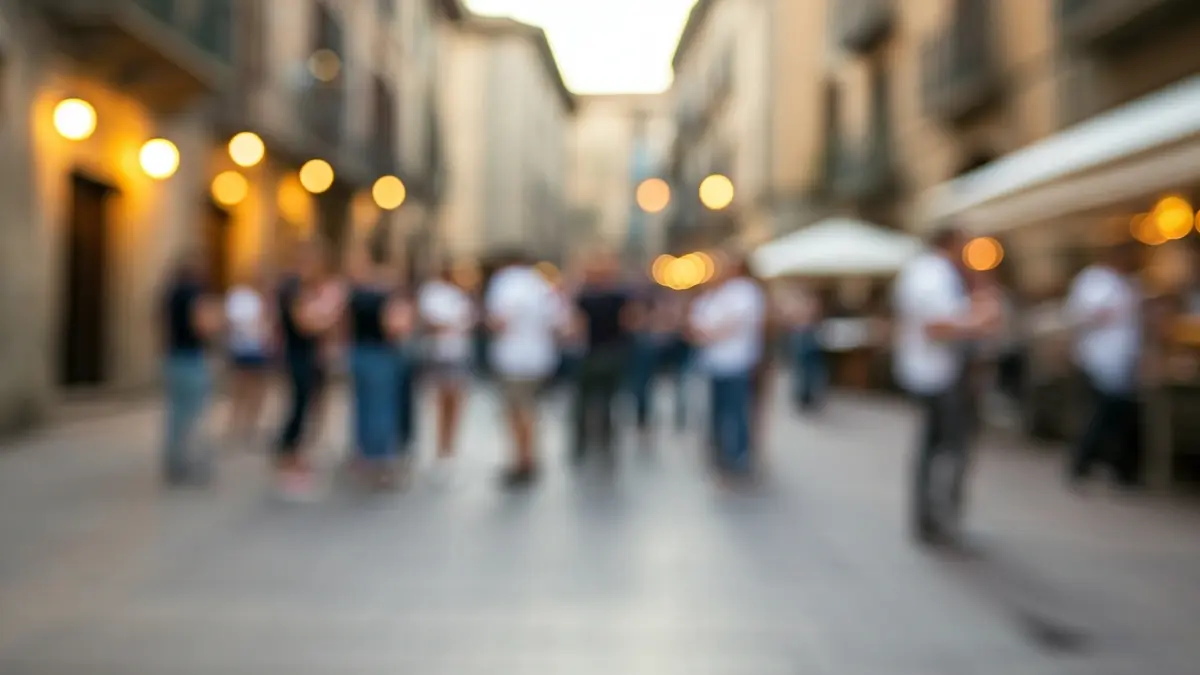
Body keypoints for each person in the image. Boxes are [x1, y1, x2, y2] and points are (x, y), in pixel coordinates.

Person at [892, 225, 992, 545]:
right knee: (947, 448)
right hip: (940, 375)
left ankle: (932, 517)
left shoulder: (924, 271)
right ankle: (939, 517)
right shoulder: (934, 274)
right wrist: (979, 321)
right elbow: (936, 326)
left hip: (932, 373)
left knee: (933, 447)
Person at [485, 250, 569, 487]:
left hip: (513, 358)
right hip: (539, 358)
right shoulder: (541, 284)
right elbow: (559, 323)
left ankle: (521, 459)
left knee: (516, 410)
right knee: (530, 408)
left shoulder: (505, 283)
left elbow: (499, 321)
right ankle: (530, 456)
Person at [1064, 241, 1143, 490]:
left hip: (1121, 362)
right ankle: (1083, 464)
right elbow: (1083, 314)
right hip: (1098, 359)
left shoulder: (1127, 283)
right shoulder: (1095, 279)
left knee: (1116, 415)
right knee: (1101, 414)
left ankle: (1115, 467)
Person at [688, 250, 766, 482]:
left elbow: (728, 324)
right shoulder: (718, 293)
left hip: (736, 362)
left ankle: (739, 456)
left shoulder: (746, 291)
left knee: (736, 411)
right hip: (715, 362)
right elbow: (697, 323)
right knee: (718, 411)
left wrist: (710, 333)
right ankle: (720, 451)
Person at [275, 241, 341, 498]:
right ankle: (288, 458)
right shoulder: (292, 287)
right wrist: (329, 317)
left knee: (307, 406)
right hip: (298, 355)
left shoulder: (306, 287)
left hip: (309, 356)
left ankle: (297, 455)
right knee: (298, 406)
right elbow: (304, 323)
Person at [345, 243, 413, 489]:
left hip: (360, 353)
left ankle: (365, 455)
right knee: (381, 410)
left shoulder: (355, 292)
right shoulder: (385, 295)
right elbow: (396, 327)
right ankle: (381, 461)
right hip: (381, 356)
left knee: (364, 407)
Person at [159, 252, 222, 485]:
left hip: (173, 356)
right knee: (193, 413)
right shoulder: (195, 293)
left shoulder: (170, 292)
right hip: (192, 357)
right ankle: (189, 463)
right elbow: (204, 325)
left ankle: (174, 462)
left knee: (175, 414)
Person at [571, 252, 637, 464]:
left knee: (586, 401)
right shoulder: (620, 296)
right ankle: (604, 441)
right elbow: (630, 322)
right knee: (606, 401)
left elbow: (577, 327)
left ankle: (583, 442)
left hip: (594, 353)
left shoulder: (585, 297)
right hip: (612, 352)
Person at [418, 262, 477, 481]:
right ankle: (440, 449)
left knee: (456, 402)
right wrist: (452, 324)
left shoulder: (460, 295)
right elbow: (431, 322)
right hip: (439, 354)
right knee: (441, 402)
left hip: (458, 353)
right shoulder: (433, 292)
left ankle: (449, 450)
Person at [223, 265, 275, 446]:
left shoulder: (262, 297)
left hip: (259, 348)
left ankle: (249, 426)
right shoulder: (238, 296)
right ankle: (235, 427)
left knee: (257, 390)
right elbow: (234, 322)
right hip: (242, 348)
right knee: (240, 388)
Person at [781, 282, 825, 411]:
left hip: (808, 335)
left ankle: (808, 396)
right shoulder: (800, 304)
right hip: (800, 336)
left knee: (809, 369)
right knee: (801, 369)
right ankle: (803, 397)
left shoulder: (810, 303)